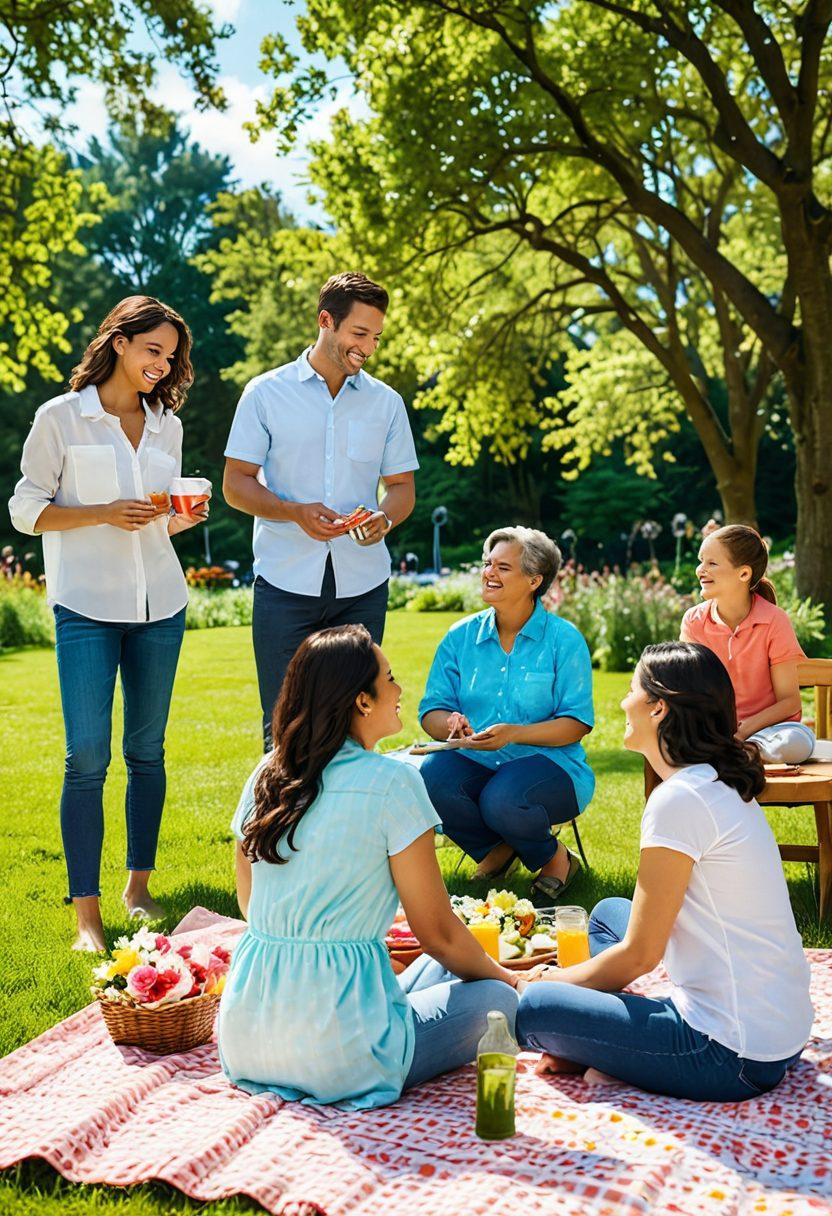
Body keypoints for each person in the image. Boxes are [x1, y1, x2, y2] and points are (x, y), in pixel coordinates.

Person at [218, 624, 521, 1110]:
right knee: (497, 1002)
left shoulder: (268, 772)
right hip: (344, 1054)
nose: (400, 690)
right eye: (391, 678)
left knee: (435, 970)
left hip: (247, 1035)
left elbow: (250, 902)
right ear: (362, 701)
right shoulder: (394, 782)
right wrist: (512, 982)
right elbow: (438, 932)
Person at [517, 642, 813, 1102]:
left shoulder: (678, 800)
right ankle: (604, 1039)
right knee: (610, 913)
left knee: (534, 1007)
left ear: (658, 707)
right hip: (780, 1032)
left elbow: (639, 956)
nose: (622, 701)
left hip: (732, 1056)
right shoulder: (715, 779)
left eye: (632, 689)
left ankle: (599, 1039)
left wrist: (542, 981)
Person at [8, 296, 206, 952]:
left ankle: (139, 889)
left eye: (170, 356)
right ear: (119, 342)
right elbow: (25, 509)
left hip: (161, 605)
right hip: (86, 606)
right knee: (86, 756)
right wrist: (98, 512)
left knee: (146, 753)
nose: (162, 364)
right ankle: (87, 918)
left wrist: (180, 518)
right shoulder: (62, 418)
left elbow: (157, 518)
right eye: (153, 350)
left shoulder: (165, 423)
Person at [223, 271, 418, 748]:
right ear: (325, 321)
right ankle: (279, 825)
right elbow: (235, 485)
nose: (368, 348)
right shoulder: (265, 393)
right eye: (358, 334)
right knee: (284, 726)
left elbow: (401, 488)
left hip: (362, 586)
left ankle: (344, 824)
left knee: (356, 728)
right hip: (285, 584)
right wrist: (294, 512)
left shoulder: (386, 403)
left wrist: (384, 518)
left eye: (375, 337)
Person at [417, 526, 595, 903]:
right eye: (487, 564)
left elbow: (575, 724)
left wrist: (514, 733)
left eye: (503, 567)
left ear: (534, 579)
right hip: (474, 759)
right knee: (429, 780)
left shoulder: (564, 640)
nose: (488, 573)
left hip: (552, 765)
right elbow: (431, 710)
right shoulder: (459, 637)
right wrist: (449, 723)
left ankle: (556, 858)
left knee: (502, 798)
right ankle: (497, 850)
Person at [681, 525, 815, 764]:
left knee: (798, 742)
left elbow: (789, 702)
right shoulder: (694, 621)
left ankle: (743, 754)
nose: (700, 570)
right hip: (716, 730)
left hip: (770, 731)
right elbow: (690, 689)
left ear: (743, 574)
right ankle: (731, 755)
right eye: (702, 561)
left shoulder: (774, 620)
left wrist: (742, 733)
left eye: (712, 563)